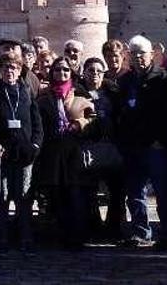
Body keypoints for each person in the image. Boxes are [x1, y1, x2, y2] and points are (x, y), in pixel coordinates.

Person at [116, 35, 167, 251]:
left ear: (151, 55)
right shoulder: (126, 81)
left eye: (142, 53)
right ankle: (140, 232)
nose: (138, 58)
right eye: (134, 54)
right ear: (129, 56)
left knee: (164, 193)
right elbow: (120, 113)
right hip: (133, 147)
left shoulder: (164, 80)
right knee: (135, 193)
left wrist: (162, 140)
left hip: (158, 147)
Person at [0, 52, 42, 253]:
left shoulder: (26, 92)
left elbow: (37, 123)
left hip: (24, 154)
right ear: (0, 71)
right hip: (1, 153)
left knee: (23, 196)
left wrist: (35, 146)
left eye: (13, 67)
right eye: (5, 67)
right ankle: (1, 237)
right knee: (1, 196)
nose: (9, 71)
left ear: (20, 70)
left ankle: (25, 237)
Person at [36, 56, 97, 249]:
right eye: (57, 70)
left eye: (65, 70)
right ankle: (60, 235)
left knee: (77, 194)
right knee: (57, 196)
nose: (61, 74)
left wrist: (80, 124)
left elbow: (95, 123)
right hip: (53, 154)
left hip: (75, 154)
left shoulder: (81, 96)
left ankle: (78, 236)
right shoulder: (44, 99)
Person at [80, 57, 124, 240]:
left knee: (117, 190)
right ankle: (93, 227)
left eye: (99, 71)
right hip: (90, 146)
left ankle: (114, 227)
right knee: (89, 190)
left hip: (112, 145)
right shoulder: (78, 92)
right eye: (91, 70)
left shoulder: (113, 91)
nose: (95, 74)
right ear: (84, 73)